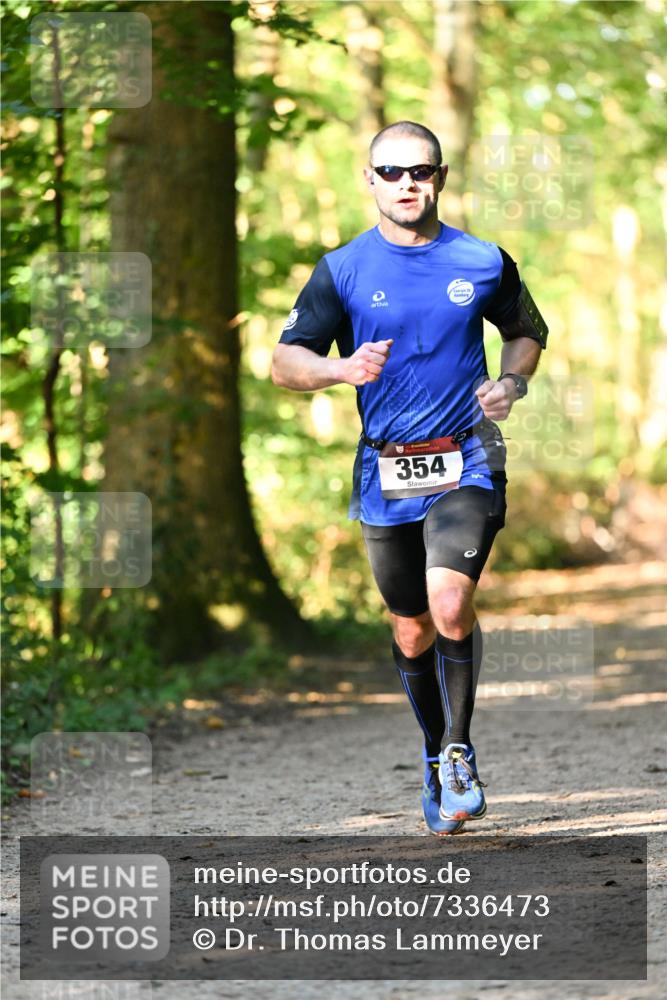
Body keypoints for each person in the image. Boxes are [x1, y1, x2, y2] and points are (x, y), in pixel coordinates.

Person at [271, 121, 548, 836]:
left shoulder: (482, 260)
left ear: (441, 177)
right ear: (369, 179)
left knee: (449, 602)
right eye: (390, 171)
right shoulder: (343, 269)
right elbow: (285, 361)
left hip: (467, 456)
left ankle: (459, 751)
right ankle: (433, 753)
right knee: (409, 625)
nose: (405, 183)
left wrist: (509, 385)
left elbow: (526, 333)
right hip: (386, 468)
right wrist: (338, 368)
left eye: (419, 171)